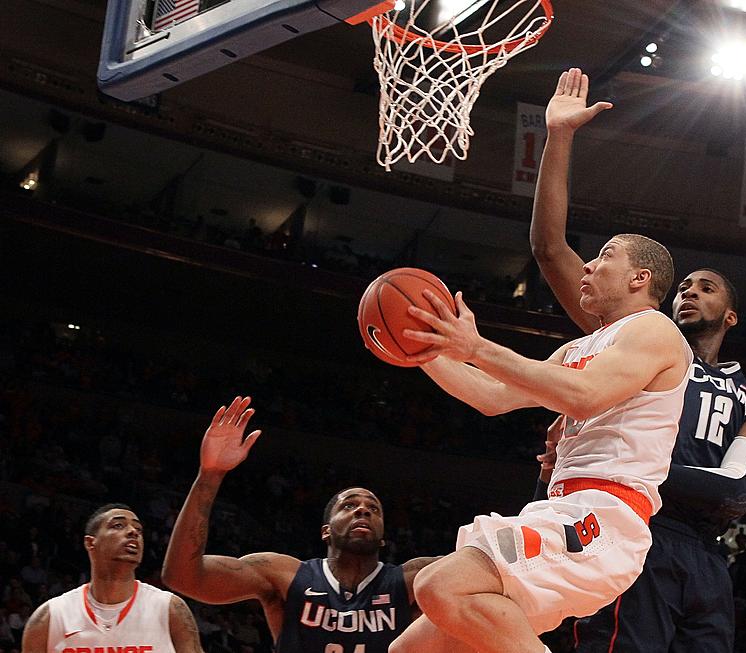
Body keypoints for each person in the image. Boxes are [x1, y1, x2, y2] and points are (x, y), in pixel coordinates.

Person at [529, 67, 746, 652]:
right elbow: (548, 248)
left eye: (707, 286)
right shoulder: (629, 334)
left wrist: (629, 466)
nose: (690, 291)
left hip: (703, 550)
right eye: (683, 284)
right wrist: (559, 136)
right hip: (629, 524)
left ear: (731, 316)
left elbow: (735, 491)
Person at [388, 231, 692, 653]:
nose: (587, 266)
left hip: (604, 518)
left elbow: (584, 396)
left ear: (640, 278)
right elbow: (490, 396)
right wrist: (422, 346)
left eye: (605, 256)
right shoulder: (577, 349)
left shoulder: (654, 329)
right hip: (564, 512)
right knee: (411, 650)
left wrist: (475, 346)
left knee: (440, 585)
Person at [161, 397, 436, 653]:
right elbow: (183, 577)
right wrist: (210, 475)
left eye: (373, 509)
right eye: (349, 506)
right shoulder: (286, 575)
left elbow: (477, 565)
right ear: (325, 531)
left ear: (383, 536)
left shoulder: (412, 579)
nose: (363, 510)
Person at [21, 504, 202, 653]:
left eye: (138, 529)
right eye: (118, 525)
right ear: (90, 542)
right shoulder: (49, 618)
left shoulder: (171, 609)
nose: (133, 532)